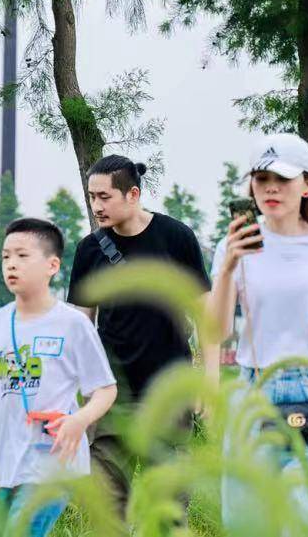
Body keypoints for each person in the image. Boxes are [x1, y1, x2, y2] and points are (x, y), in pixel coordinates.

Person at [207, 133, 308, 525]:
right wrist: (228, 267)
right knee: (248, 523)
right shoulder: (233, 247)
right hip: (255, 391)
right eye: (261, 180)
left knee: (305, 518)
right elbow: (215, 330)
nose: (271, 189)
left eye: (282, 179)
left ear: (307, 184)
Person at [0, 218, 118, 537]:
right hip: (6, 463)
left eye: (22, 256)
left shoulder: (72, 324)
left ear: (52, 265)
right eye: (6, 256)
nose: (11, 264)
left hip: (51, 464)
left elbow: (105, 390)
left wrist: (78, 422)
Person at [65, 155, 211, 514]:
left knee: (168, 506)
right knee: (107, 503)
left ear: (132, 194)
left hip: (169, 391)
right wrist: (69, 396)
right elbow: (78, 329)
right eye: (91, 197)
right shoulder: (90, 250)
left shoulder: (175, 238)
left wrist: (209, 382)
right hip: (110, 395)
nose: (96, 206)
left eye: (104, 197)